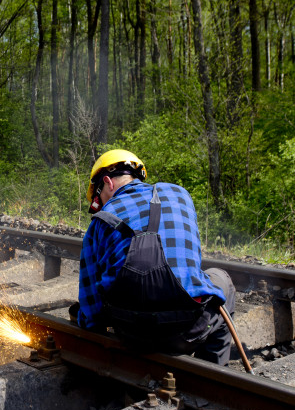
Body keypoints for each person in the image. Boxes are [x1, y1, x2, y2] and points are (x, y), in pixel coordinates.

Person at [72, 149, 236, 366]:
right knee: (219, 278)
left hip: (131, 335)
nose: (100, 205)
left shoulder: (100, 221)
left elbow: (91, 313)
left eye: (98, 197)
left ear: (107, 183)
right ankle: (212, 376)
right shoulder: (180, 195)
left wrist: (79, 317)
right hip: (188, 331)